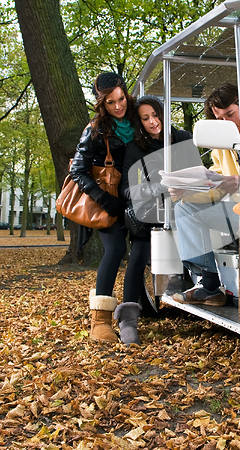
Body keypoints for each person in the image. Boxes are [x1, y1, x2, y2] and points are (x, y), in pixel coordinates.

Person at [117, 95, 193, 345]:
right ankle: (128, 321)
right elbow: (126, 191)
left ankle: (203, 295)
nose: (153, 122)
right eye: (145, 118)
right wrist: (154, 188)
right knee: (138, 254)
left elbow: (197, 174)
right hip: (152, 210)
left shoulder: (182, 138)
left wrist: (184, 186)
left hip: (185, 205)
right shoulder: (135, 147)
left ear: (164, 112)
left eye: (155, 115)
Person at [70, 72, 136, 343]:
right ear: (102, 103)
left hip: (136, 197)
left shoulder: (136, 122)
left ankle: (134, 314)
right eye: (110, 102)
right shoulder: (96, 128)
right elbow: (77, 170)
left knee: (142, 250)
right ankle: (100, 320)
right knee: (116, 249)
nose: (118, 106)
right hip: (107, 200)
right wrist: (103, 197)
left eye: (121, 99)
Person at [170, 83, 240, 307]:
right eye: (220, 120)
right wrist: (188, 191)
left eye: (230, 114)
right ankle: (209, 284)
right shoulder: (222, 145)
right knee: (183, 208)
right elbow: (218, 184)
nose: (226, 123)